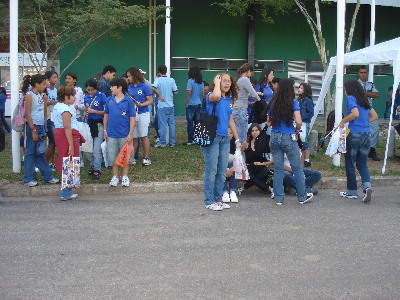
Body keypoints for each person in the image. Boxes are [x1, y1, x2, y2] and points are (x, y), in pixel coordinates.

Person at [267, 78, 311, 205]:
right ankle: (302, 196)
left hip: (274, 136)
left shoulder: (273, 102)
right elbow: (298, 122)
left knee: (278, 168)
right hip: (288, 136)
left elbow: (269, 122)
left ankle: (279, 198)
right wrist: (296, 130)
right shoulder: (293, 102)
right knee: (297, 168)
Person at [201, 73, 240, 211]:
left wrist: (237, 138)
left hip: (224, 139)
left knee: (222, 171)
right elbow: (216, 96)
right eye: (224, 81)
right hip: (213, 138)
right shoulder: (211, 95)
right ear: (217, 82)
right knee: (211, 171)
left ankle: (218, 199)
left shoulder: (228, 99)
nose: (227, 83)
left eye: (229, 81)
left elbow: (230, 120)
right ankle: (209, 200)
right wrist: (217, 83)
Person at [339, 79, 378, 203]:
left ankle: (352, 191)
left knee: (350, 163)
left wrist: (344, 120)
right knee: (362, 163)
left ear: (349, 89)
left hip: (354, 133)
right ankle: (367, 187)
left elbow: (355, 114)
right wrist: (364, 123)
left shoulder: (351, 98)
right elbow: (375, 116)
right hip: (366, 134)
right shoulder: (364, 100)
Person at [22, 74, 59, 187]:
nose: (45, 86)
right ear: (36, 84)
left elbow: (43, 111)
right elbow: (27, 114)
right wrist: (33, 129)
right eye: (43, 84)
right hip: (33, 127)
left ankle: (47, 176)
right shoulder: (29, 95)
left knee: (40, 152)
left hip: (41, 126)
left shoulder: (41, 95)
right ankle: (28, 178)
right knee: (30, 152)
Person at [53, 85, 85, 200]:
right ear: (66, 97)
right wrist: (71, 144)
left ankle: (67, 190)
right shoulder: (65, 110)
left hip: (61, 135)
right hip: (66, 137)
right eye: (72, 96)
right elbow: (67, 128)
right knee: (68, 162)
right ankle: (65, 192)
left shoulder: (58, 106)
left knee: (66, 161)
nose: (74, 98)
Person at [103, 77, 136, 187]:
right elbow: (106, 115)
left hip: (124, 134)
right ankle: (115, 176)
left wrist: (130, 133)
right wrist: (104, 130)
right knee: (113, 157)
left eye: (112, 86)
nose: (111, 88)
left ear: (120, 87)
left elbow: (132, 118)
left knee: (125, 156)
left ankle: (125, 176)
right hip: (111, 134)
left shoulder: (128, 100)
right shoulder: (109, 100)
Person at [126, 67, 153, 166]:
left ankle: (146, 157)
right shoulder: (128, 88)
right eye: (127, 76)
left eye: (129, 76)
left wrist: (141, 104)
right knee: (134, 137)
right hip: (133, 115)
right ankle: (132, 157)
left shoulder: (145, 86)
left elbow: (150, 101)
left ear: (135, 75)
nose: (128, 78)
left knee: (143, 136)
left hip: (143, 114)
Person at [83, 78, 107, 180]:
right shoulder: (86, 97)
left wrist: (94, 111)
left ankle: (97, 169)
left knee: (97, 149)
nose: (90, 92)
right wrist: (86, 112)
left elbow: (106, 112)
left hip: (99, 124)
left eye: (92, 90)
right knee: (87, 148)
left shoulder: (101, 96)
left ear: (96, 88)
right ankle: (93, 164)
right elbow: (86, 108)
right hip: (89, 124)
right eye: (88, 90)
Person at [241, 123, 274, 195]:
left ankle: (244, 187)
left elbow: (272, 161)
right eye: (252, 131)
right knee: (248, 174)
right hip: (249, 167)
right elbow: (239, 155)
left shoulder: (264, 143)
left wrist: (262, 163)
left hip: (261, 167)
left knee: (265, 172)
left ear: (260, 131)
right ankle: (268, 188)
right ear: (250, 132)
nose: (254, 132)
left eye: (256, 130)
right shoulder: (246, 143)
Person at [234, 63, 261, 143]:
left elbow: (243, 95)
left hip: (236, 109)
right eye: (251, 72)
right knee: (243, 136)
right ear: (249, 71)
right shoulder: (245, 79)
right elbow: (253, 93)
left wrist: (257, 94)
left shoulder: (238, 80)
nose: (251, 74)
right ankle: (242, 153)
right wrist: (259, 100)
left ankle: (238, 152)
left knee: (239, 134)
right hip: (241, 110)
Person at [357, 67, 380, 161]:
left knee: (375, 130)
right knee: (358, 131)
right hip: (358, 109)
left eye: (365, 72)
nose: (363, 74)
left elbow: (377, 94)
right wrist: (368, 94)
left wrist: (365, 93)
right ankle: (358, 151)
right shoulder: (355, 84)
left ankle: (372, 150)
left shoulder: (370, 84)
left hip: (369, 109)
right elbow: (355, 95)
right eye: (361, 72)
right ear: (358, 73)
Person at [153, 64, 178, 147]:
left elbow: (153, 88)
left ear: (159, 72)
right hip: (170, 105)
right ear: (166, 71)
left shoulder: (158, 80)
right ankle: (172, 142)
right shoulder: (171, 80)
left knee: (162, 125)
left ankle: (162, 142)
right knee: (171, 124)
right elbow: (175, 92)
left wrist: (158, 95)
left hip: (162, 105)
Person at [185, 66, 204, 145]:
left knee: (190, 123)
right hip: (199, 103)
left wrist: (186, 102)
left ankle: (190, 140)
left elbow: (189, 93)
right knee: (197, 123)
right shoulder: (201, 83)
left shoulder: (190, 81)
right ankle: (198, 139)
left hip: (191, 104)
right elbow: (202, 94)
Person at [298, 83, 314, 167]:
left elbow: (311, 113)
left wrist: (301, 117)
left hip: (305, 123)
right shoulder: (299, 99)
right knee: (300, 140)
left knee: (305, 140)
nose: (299, 89)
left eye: (301, 88)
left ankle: (307, 160)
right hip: (299, 122)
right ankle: (302, 158)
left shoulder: (308, 101)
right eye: (299, 87)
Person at [44, 71, 58, 167]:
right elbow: (44, 103)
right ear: (48, 79)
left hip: (56, 117)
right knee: (53, 141)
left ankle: (50, 162)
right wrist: (53, 102)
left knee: (52, 142)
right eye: (53, 77)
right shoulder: (45, 91)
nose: (56, 79)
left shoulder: (56, 90)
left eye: (56, 77)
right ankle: (44, 161)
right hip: (48, 117)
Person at [222, 128, 239, 203]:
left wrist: (231, 169)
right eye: (227, 132)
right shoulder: (219, 144)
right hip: (222, 169)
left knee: (234, 162)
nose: (229, 134)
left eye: (231, 133)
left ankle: (233, 191)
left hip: (232, 170)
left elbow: (240, 160)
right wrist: (226, 170)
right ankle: (225, 191)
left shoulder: (236, 145)